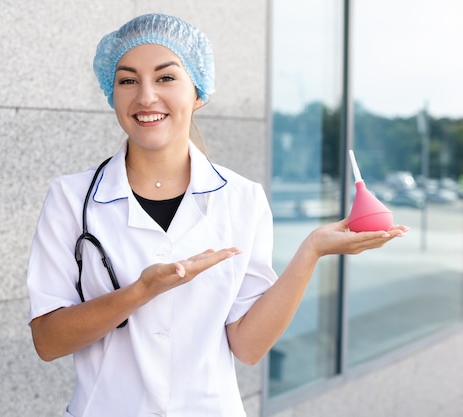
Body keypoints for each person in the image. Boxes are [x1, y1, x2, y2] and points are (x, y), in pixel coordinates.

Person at [27, 13, 408, 417]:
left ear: (199, 91)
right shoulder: (71, 199)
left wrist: (311, 251)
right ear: (111, 91)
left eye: (166, 78)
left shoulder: (242, 199)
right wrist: (141, 291)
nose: (146, 97)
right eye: (127, 80)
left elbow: (247, 346)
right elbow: (48, 341)